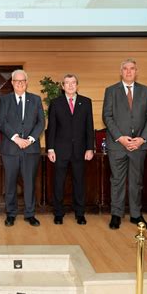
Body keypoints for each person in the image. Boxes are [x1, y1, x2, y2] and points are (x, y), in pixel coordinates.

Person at [102, 59, 147, 230]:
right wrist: (120, 137)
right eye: (125, 69)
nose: (128, 71)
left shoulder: (145, 91)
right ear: (121, 72)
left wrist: (142, 139)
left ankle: (136, 215)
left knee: (136, 182)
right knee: (117, 181)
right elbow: (107, 116)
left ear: (136, 71)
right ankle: (116, 215)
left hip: (138, 145)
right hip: (118, 145)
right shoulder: (111, 91)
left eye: (132, 69)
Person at [0, 69, 45, 227]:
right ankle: (11, 214)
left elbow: (41, 123)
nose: (19, 83)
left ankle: (29, 214)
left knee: (30, 183)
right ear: (12, 83)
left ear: (26, 82)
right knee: (10, 183)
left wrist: (30, 139)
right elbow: (2, 122)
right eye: (16, 81)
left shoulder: (36, 99)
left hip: (31, 149)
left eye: (22, 81)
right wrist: (16, 138)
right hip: (10, 149)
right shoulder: (4, 100)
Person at [47, 74, 94, 225]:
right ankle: (58, 213)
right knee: (59, 182)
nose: (70, 85)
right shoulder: (56, 103)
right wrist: (50, 149)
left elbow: (89, 127)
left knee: (79, 182)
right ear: (62, 86)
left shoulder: (86, 102)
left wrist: (90, 148)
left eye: (73, 83)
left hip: (80, 150)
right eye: (67, 83)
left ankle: (80, 213)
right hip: (60, 150)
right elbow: (52, 128)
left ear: (77, 85)